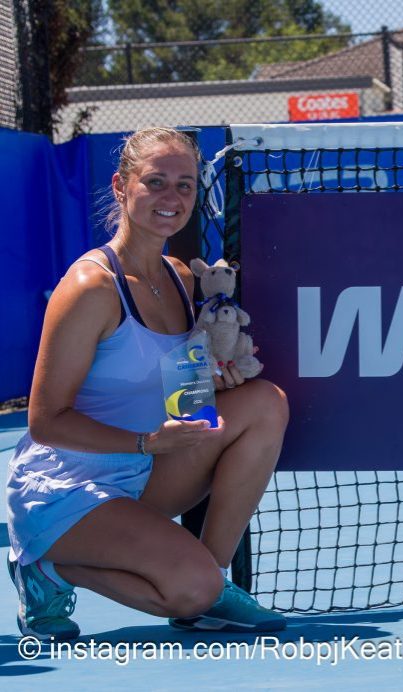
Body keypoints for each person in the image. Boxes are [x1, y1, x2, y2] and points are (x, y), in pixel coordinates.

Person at [6, 127, 290, 639]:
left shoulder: (182, 277)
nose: (171, 198)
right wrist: (146, 442)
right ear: (121, 186)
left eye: (184, 185)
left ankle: (214, 581)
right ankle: (47, 568)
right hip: (67, 488)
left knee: (265, 403)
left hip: (143, 469)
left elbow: (183, 396)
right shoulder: (89, 288)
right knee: (188, 588)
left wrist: (213, 385)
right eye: (156, 181)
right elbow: (45, 421)